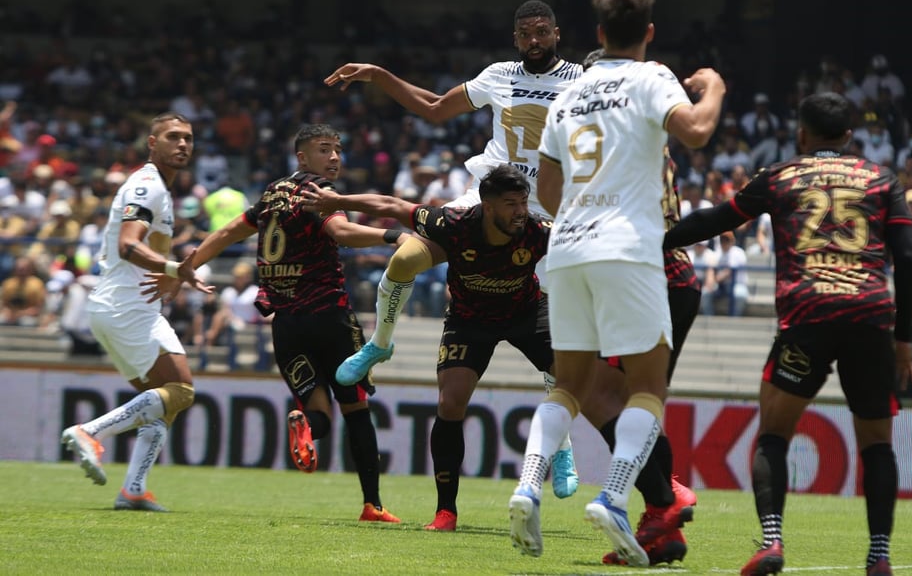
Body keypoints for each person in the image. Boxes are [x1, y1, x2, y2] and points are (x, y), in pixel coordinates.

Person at [324, 0, 582, 497]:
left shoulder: (579, 80)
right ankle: (380, 343)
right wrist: (379, 75)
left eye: (542, 31)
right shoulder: (499, 75)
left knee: (562, 341)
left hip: (547, 213)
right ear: (515, 37)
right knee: (405, 257)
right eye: (525, 32)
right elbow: (436, 107)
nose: (534, 39)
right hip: (485, 200)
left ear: (556, 33)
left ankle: (563, 444)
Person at [507, 0, 725, 566]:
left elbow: (547, 192)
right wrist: (715, 85)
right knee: (646, 388)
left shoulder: (568, 92)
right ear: (649, 32)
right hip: (628, 250)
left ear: (597, 35)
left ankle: (527, 485)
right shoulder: (652, 78)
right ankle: (613, 494)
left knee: (569, 385)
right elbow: (698, 131)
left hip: (568, 249)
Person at [663, 92, 912, 576]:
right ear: (849, 136)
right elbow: (906, 261)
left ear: (801, 134)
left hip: (808, 316)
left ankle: (773, 542)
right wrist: (903, 338)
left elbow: (715, 220)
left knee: (773, 436)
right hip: (868, 318)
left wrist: (656, 241)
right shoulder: (884, 180)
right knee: (878, 444)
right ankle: (879, 555)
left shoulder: (780, 176)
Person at [151, 124, 407, 523]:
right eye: (325, 150)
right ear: (302, 158)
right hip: (329, 317)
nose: (335, 158)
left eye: (338, 149)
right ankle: (372, 504)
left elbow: (228, 231)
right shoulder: (317, 192)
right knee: (356, 409)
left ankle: (304, 422)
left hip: (286, 324)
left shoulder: (271, 194)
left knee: (317, 411)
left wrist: (187, 266)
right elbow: (340, 232)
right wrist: (392, 236)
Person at [300, 165, 558, 532]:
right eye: (511, 204)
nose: (520, 211)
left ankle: (565, 450)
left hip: (528, 314)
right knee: (449, 403)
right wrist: (338, 200)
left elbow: (587, 243)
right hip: (470, 322)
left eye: (523, 203)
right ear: (486, 205)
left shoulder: (536, 231)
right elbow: (390, 204)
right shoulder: (453, 223)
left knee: (577, 383)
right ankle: (446, 512)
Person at [61, 112, 212, 512]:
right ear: (152, 142)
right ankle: (89, 432)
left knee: (166, 398)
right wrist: (173, 269)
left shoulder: (159, 188)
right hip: (125, 306)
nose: (182, 144)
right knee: (180, 392)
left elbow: (147, 248)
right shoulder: (146, 186)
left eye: (188, 139)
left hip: (128, 306)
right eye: (173, 137)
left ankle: (134, 489)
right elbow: (129, 244)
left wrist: (171, 273)